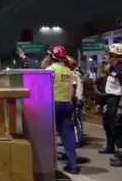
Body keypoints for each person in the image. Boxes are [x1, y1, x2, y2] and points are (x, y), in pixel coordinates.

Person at [46, 45, 80, 174]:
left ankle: (49, 167)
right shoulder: (68, 71)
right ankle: (73, 165)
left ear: (51, 57)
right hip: (67, 105)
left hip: (52, 105)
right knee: (68, 134)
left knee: (48, 136)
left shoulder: (50, 70)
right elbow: (73, 89)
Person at [102, 43, 122, 166]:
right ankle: (114, 150)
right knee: (110, 126)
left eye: (109, 54)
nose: (107, 56)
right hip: (111, 101)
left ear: (114, 55)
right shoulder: (113, 68)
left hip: (118, 101)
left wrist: (120, 107)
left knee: (119, 129)